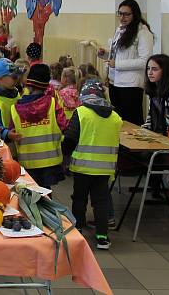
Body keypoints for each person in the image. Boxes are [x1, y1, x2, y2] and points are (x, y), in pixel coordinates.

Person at [63, 79, 122, 250]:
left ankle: (78, 228)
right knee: (101, 201)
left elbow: (70, 139)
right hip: (105, 168)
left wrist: (64, 154)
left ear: (83, 97)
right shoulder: (116, 117)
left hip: (83, 167)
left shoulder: (81, 113)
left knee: (80, 198)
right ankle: (102, 237)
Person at [9, 64, 67, 189]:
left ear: (28, 84)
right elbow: (63, 126)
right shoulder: (53, 104)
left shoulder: (15, 109)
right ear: (47, 84)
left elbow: (11, 133)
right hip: (50, 162)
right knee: (46, 195)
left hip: (27, 162)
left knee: (31, 196)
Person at [98, 0, 154, 125]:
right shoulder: (120, 30)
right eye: (120, 13)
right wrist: (106, 54)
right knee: (118, 121)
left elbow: (145, 61)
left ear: (135, 14)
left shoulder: (143, 32)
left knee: (131, 121)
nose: (122, 17)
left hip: (131, 84)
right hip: (115, 82)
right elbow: (119, 54)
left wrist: (118, 65)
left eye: (126, 14)